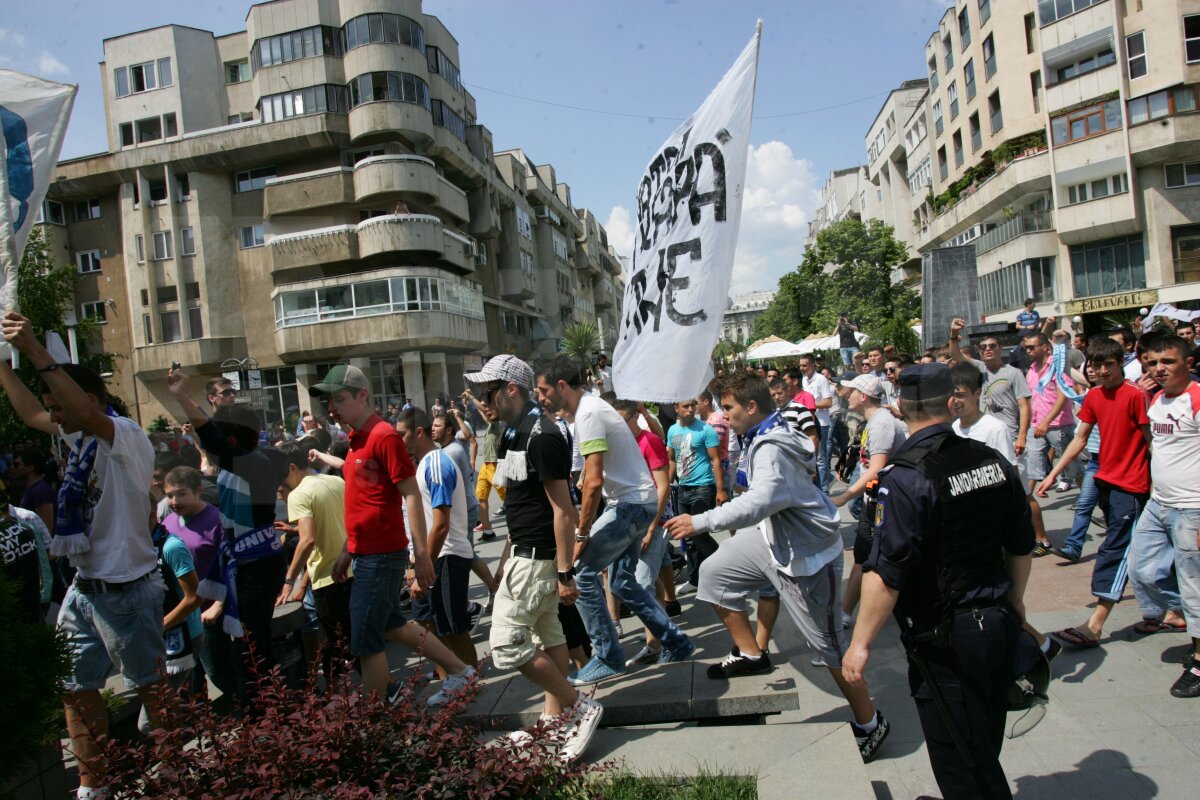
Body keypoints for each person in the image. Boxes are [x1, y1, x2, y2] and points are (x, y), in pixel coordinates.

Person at [665, 373, 892, 764]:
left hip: (806, 556)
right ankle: (753, 654)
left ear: (752, 408)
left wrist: (700, 521)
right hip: (773, 538)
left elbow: (762, 499)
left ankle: (871, 723)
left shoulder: (769, 444)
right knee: (714, 575)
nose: (724, 414)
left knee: (830, 648)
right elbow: (763, 490)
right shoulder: (765, 430)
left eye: (730, 407)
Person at [843, 363, 1034, 799]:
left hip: (947, 638)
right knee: (982, 740)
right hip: (997, 619)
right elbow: (1021, 543)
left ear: (899, 408)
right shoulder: (992, 461)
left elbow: (886, 571)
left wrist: (861, 643)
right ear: (952, 403)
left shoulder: (906, 477)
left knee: (961, 758)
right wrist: (1016, 601)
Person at [1, 311, 163, 799]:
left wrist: (33, 349)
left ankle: (176, 768)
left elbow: (85, 414)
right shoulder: (80, 437)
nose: (53, 416)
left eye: (60, 404)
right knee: (74, 689)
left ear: (88, 400)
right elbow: (30, 413)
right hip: (84, 588)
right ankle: (93, 788)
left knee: (151, 692)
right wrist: (3, 368)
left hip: (128, 590)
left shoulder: (124, 436)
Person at [307, 365, 475, 705]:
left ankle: (379, 709)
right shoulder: (356, 441)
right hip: (366, 552)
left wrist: (423, 555)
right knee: (393, 625)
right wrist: (346, 550)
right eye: (329, 402)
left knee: (365, 638)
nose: (332, 409)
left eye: (339, 399)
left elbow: (411, 492)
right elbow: (362, 506)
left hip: (382, 554)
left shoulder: (383, 436)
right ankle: (461, 673)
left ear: (362, 395)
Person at [466, 355, 603, 762]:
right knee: (550, 637)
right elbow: (523, 503)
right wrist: (508, 550)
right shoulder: (512, 431)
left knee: (506, 645)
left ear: (511, 389)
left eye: (486, 389)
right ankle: (551, 717)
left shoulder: (540, 434)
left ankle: (579, 708)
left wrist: (565, 571)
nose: (480, 397)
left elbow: (563, 510)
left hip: (538, 561)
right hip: (525, 553)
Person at [534, 356, 694, 686]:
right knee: (622, 583)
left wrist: (581, 534)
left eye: (543, 390)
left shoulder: (589, 413)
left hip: (630, 506)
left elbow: (592, 482)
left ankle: (608, 656)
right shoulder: (589, 409)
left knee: (581, 573)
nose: (540, 397)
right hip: (638, 503)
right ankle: (676, 641)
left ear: (562, 386)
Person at [167, 370, 291, 707]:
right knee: (246, 647)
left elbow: (213, 441)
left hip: (256, 565)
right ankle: (262, 709)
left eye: (222, 438)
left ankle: (263, 715)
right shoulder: (248, 463)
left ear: (232, 442)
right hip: (250, 560)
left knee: (251, 649)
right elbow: (211, 446)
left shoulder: (251, 464)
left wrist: (182, 396)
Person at [1035, 337, 1166, 647]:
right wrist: (1053, 474)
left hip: (1132, 487)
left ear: (1121, 363)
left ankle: (1095, 624)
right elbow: (1080, 439)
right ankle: (1173, 610)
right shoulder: (1093, 396)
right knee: (1141, 550)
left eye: (1109, 364)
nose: (1103, 370)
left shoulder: (1136, 396)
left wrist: (1160, 487)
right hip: (1106, 481)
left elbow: (1152, 444)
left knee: (1116, 551)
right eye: (1097, 365)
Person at [1130, 335, 1199, 698]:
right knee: (1141, 570)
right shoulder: (1156, 400)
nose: (1159, 369)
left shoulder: (1198, 398)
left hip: (1192, 509)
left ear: (1187, 362)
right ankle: (1186, 614)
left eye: (1168, 362)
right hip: (1159, 503)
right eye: (1153, 362)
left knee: (1193, 585)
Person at [950, 318, 1048, 555]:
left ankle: (1041, 538)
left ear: (1000, 349)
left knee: (1023, 493)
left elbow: (1024, 406)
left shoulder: (1012, 373)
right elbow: (955, 354)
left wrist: (1022, 436)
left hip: (1009, 436)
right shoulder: (979, 370)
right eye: (983, 347)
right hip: (983, 434)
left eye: (992, 346)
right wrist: (954, 333)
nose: (987, 350)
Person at [275, 441, 355, 686]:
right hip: (351, 568)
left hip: (328, 577)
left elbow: (308, 540)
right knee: (353, 639)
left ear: (291, 468)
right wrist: (294, 529)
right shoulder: (335, 481)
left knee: (334, 645)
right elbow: (335, 523)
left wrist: (289, 581)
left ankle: (342, 701)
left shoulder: (298, 494)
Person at [834, 374, 907, 624]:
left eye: (852, 391)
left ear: (863, 396)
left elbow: (877, 468)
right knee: (865, 556)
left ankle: (846, 612)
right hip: (874, 502)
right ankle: (846, 611)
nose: (848, 395)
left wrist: (845, 496)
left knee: (868, 556)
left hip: (883, 504)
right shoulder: (875, 421)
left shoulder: (881, 424)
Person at [611, 399, 674, 665]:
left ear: (635, 417)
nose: (619, 428)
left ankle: (666, 641)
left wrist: (650, 528)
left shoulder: (649, 441)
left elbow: (663, 486)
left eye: (623, 422)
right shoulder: (622, 443)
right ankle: (655, 639)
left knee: (641, 585)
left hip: (654, 523)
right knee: (646, 583)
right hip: (630, 522)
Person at [160, 466, 227, 697]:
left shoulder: (217, 520)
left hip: (208, 612)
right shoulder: (167, 523)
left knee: (219, 672)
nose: (175, 501)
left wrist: (219, 605)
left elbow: (230, 565)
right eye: (169, 495)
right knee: (188, 679)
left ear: (198, 491)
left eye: (181, 494)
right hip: (181, 615)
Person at [430, 410, 497, 601]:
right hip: (462, 510)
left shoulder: (451, 452)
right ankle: (490, 589)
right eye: (433, 425)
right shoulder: (448, 448)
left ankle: (479, 593)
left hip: (463, 512)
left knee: (464, 555)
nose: (433, 429)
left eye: (437, 426)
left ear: (449, 430)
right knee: (466, 554)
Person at [666, 399, 726, 592]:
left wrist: (720, 490)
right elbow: (672, 460)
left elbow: (716, 460)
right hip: (683, 489)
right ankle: (695, 580)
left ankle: (726, 568)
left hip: (703, 488)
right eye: (686, 406)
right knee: (688, 537)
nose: (691, 409)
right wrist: (665, 485)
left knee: (699, 535)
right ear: (677, 408)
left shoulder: (705, 430)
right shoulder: (673, 431)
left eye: (693, 405)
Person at [467, 389, 506, 541]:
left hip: (495, 465)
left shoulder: (499, 421)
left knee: (508, 498)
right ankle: (488, 530)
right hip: (486, 465)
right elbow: (484, 413)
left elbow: (485, 412)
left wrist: (471, 397)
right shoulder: (492, 423)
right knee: (480, 497)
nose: (486, 408)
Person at [800, 355, 835, 492]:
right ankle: (823, 482)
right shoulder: (804, 379)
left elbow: (828, 402)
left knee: (820, 458)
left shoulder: (821, 379)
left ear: (813, 366)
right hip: (808, 422)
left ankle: (824, 490)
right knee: (811, 456)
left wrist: (810, 406)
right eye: (800, 365)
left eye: (805, 365)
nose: (802, 368)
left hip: (822, 422)